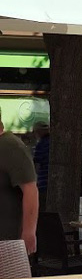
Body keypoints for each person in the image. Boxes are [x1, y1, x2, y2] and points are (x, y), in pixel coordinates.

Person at [0, 107, 38, 255]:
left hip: (7, 242)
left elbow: (30, 190)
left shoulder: (11, 146)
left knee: (12, 278)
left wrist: (29, 232)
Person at [32, 121, 50, 211]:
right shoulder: (54, 143)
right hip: (53, 184)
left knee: (42, 211)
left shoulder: (41, 145)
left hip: (43, 184)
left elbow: (36, 166)